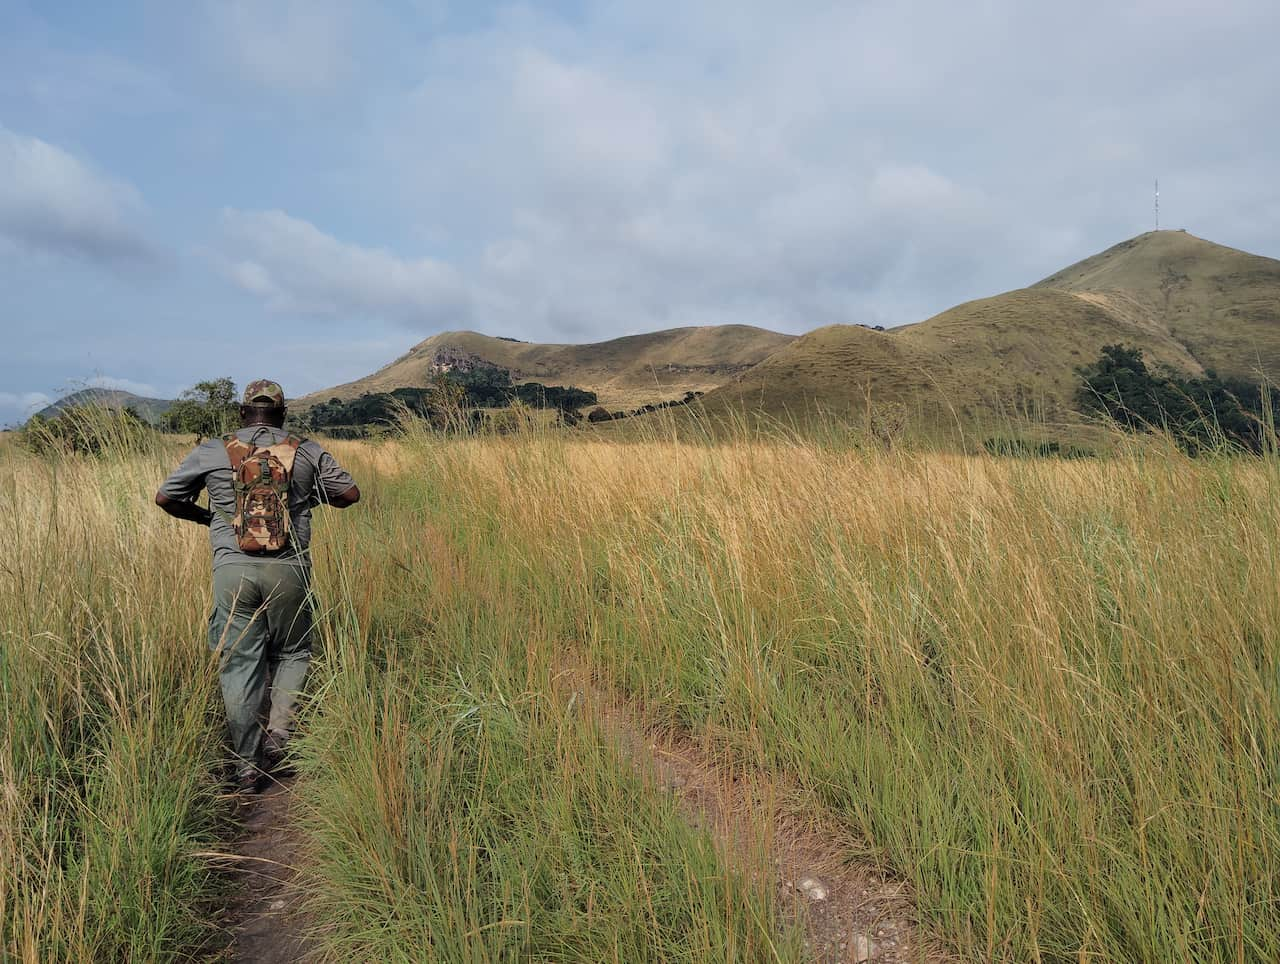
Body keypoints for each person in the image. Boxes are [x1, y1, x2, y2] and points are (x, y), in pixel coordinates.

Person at [155, 380, 360, 793]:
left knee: (239, 662)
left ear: (243, 412)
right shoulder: (306, 449)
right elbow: (349, 494)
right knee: (294, 651)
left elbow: (166, 498)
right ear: (282, 414)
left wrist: (209, 519)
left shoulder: (214, 449)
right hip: (290, 568)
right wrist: (302, 502)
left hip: (232, 571)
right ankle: (278, 742)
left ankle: (246, 767)